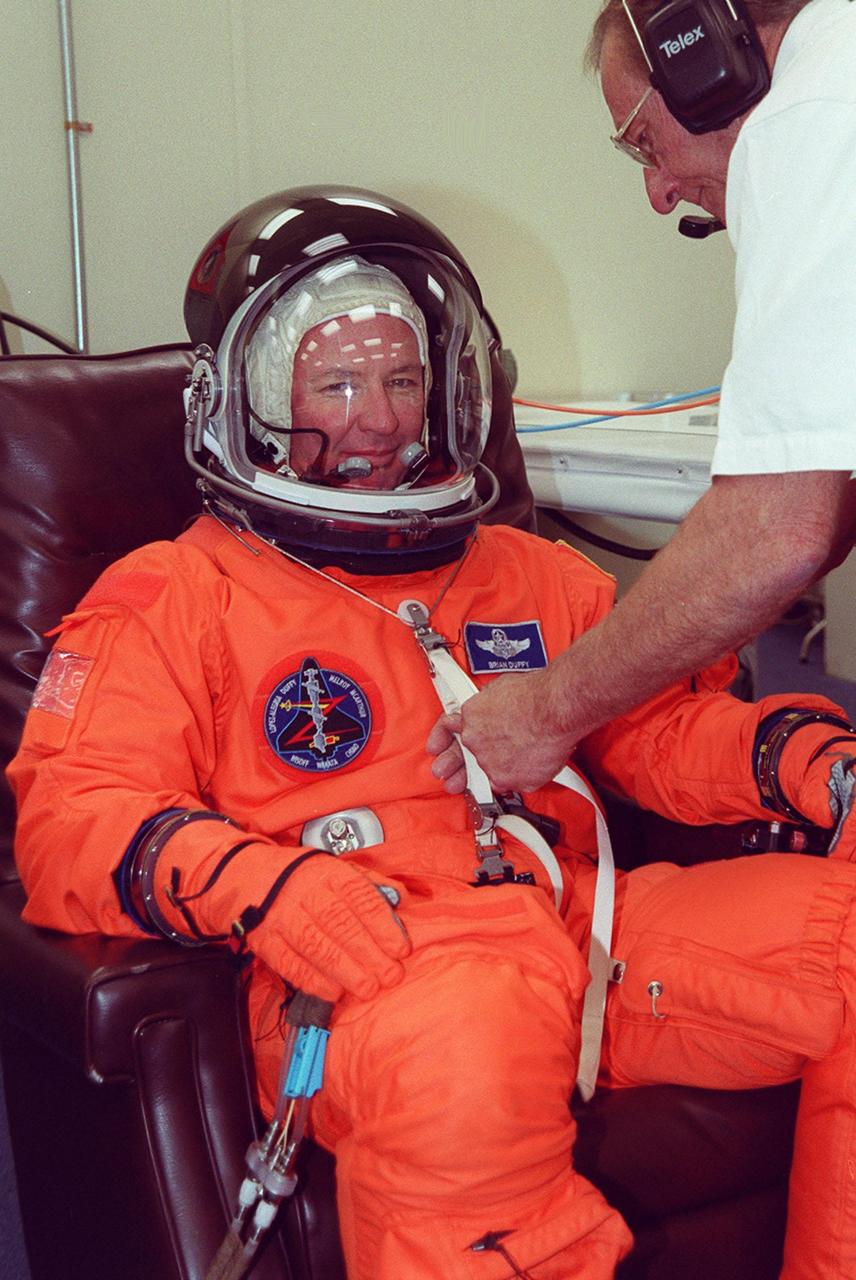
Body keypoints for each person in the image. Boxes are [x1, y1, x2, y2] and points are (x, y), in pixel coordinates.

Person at [8, 187, 856, 1280]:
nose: (377, 417)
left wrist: (805, 762)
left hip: (579, 927)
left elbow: (651, 729)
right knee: (468, 1026)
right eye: (337, 380)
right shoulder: (177, 592)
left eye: (402, 377)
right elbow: (73, 818)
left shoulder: (535, 574)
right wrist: (268, 888)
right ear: (255, 400)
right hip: (373, 959)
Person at [428, 0, 856, 798]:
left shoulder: (809, 119)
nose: (660, 194)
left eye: (645, 144)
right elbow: (827, 514)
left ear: (704, 66)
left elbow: (780, 531)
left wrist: (548, 710)